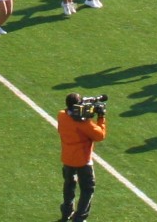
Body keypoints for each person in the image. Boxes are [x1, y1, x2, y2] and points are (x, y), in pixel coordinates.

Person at [57, 92, 106, 222]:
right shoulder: (83, 123)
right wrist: (100, 117)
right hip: (83, 160)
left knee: (69, 186)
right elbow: (99, 135)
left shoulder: (61, 115)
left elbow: (72, 115)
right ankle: (79, 218)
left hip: (67, 158)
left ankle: (66, 212)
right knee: (87, 189)